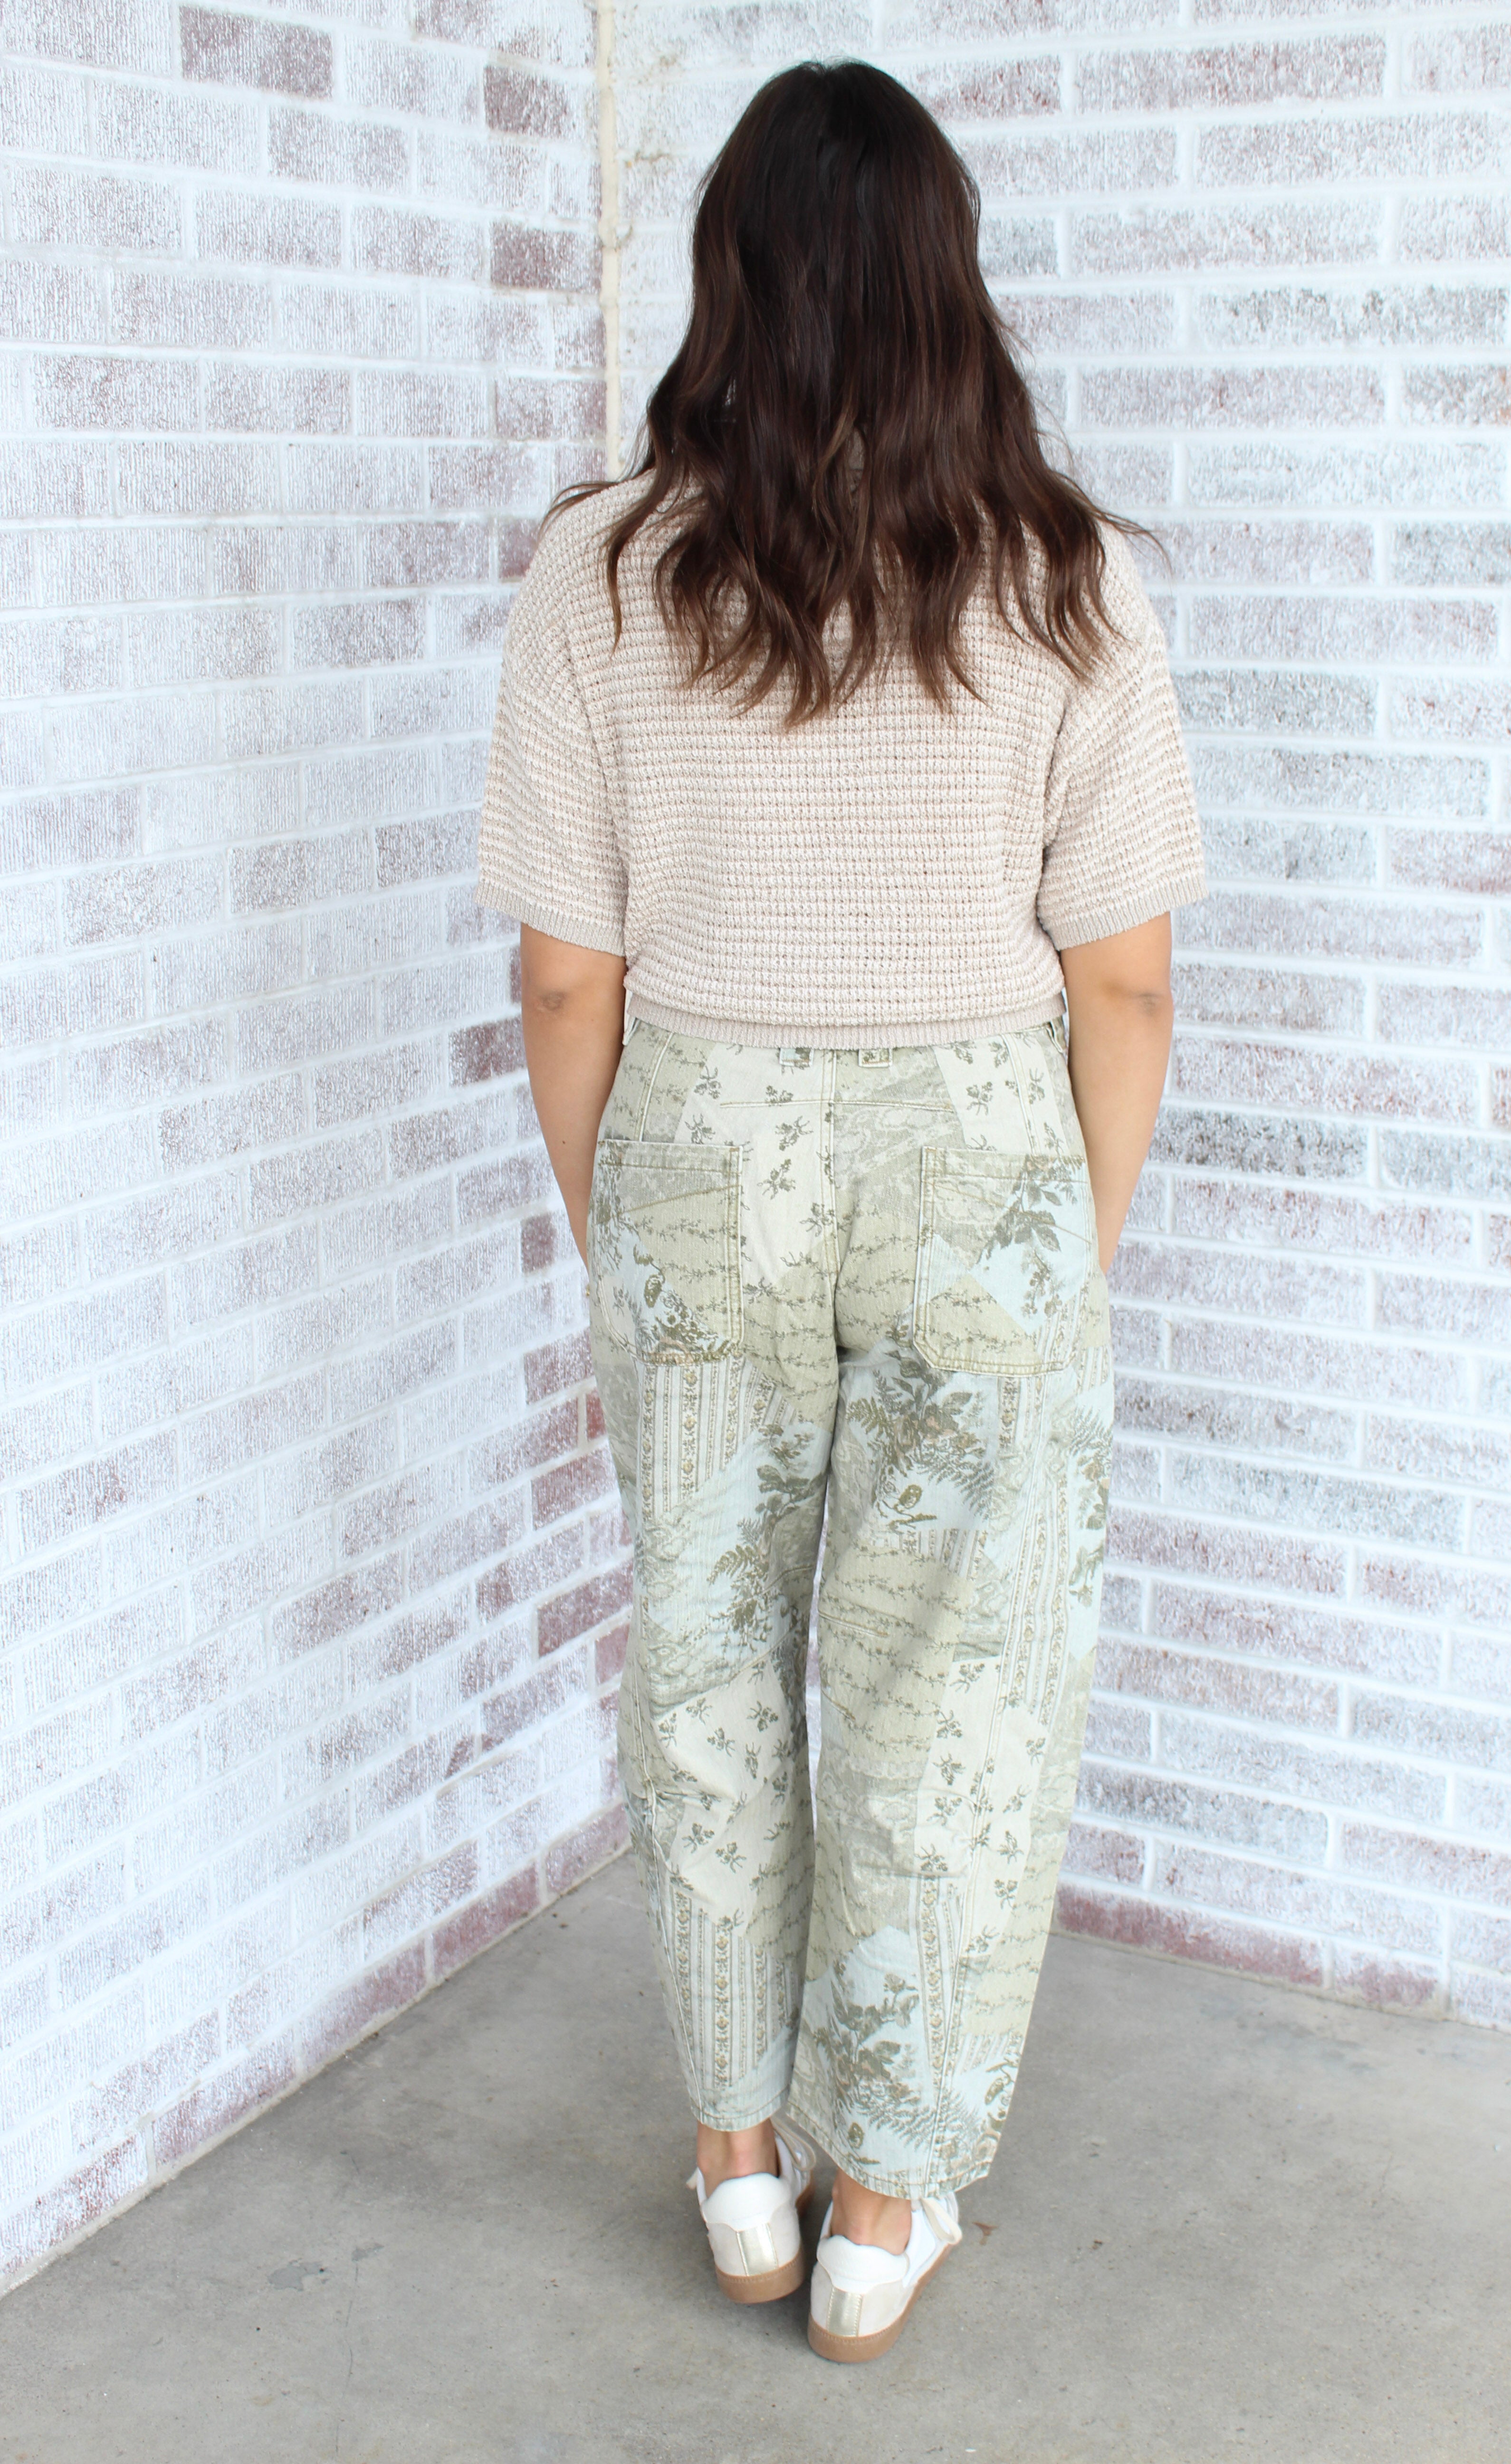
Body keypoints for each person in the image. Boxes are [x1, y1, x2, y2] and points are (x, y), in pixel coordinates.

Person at [476, 58, 1203, 2364]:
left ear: (730, 284)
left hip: (696, 1148)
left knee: (703, 1658)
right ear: (945, 289)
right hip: (985, 1163)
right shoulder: (1065, 575)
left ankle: (736, 2173)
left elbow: (566, 977)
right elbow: (1127, 980)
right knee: (950, 1687)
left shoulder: (603, 571)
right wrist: (1065, 1245)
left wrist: (621, 1219)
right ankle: (884, 2207)